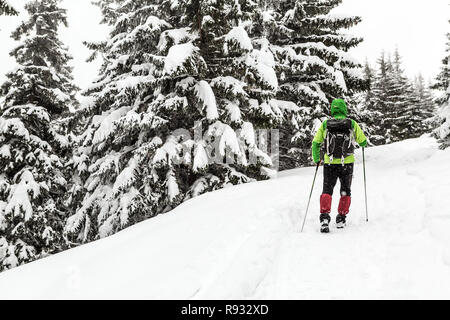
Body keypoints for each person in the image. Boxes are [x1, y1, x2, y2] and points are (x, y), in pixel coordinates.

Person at [311, 99, 367, 233]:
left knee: (327, 190)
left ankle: (324, 218)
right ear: (344, 109)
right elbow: (363, 141)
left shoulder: (326, 124)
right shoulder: (351, 123)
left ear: (333, 110)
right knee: (345, 190)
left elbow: (315, 143)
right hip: (347, 163)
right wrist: (362, 143)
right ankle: (341, 217)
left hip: (329, 163)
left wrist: (317, 159)